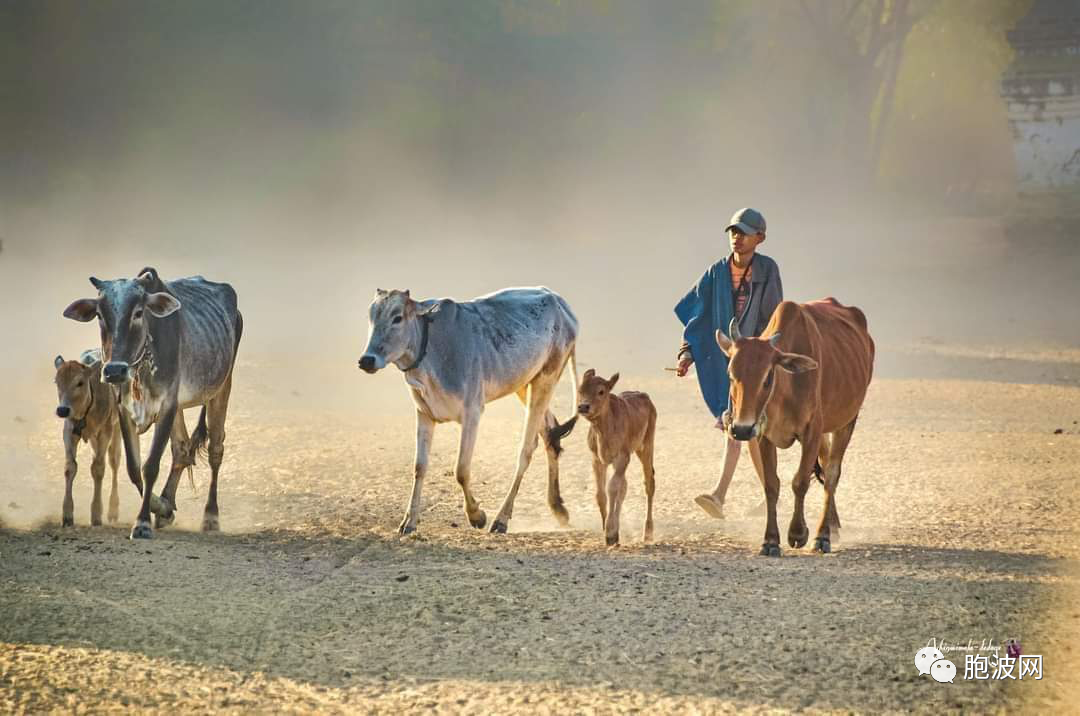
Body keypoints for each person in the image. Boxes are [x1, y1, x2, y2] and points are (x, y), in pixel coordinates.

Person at [673, 207, 783, 518]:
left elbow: (773, 318)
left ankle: (723, 495)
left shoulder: (768, 270)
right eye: (734, 231)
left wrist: (762, 355)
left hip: (756, 365)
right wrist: (686, 353)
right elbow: (698, 317)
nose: (737, 237)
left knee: (741, 429)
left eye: (745, 233)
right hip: (727, 362)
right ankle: (762, 495)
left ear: (759, 238)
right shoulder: (715, 273)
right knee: (739, 429)